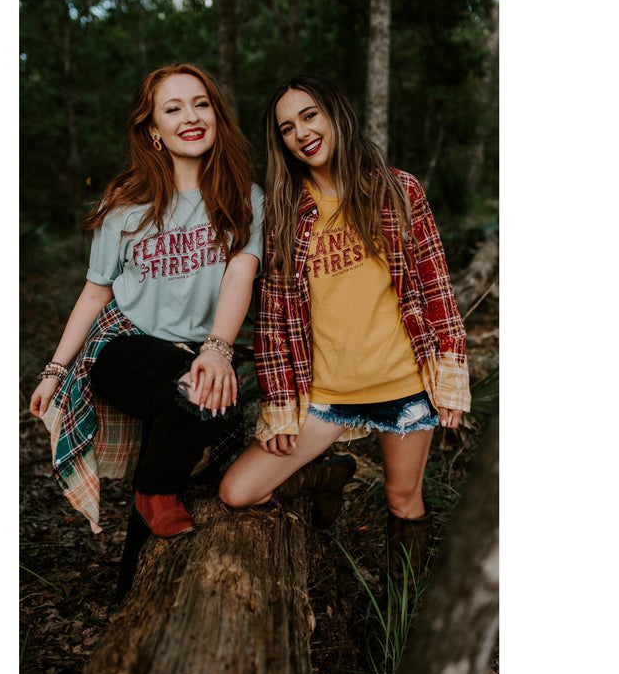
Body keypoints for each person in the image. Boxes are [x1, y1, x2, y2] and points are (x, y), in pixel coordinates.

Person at [219, 74, 470, 583]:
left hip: (404, 388)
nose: (301, 133)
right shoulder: (286, 213)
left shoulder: (398, 190)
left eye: (309, 116)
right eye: (287, 128)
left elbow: (436, 286)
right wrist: (281, 408)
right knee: (237, 492)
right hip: (326, 395)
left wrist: (449, 373)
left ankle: (399, 622)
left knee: (404, 501)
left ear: (336, 114)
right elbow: (272, 324)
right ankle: (322, 474)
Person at [30, 63, 264, 542]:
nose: (190, 117)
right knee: (194, 391)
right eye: (172, 109)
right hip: (122, 345)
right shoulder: (126, 202)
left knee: (204, 400)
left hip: (199, 350)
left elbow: (242, 270)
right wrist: (55, 370)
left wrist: (217, 349)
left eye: (201, 104)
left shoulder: (246, 198)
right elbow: (97, 290)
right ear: (153, 129)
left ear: (217, 116)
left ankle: (140, 555)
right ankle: (156, 493)